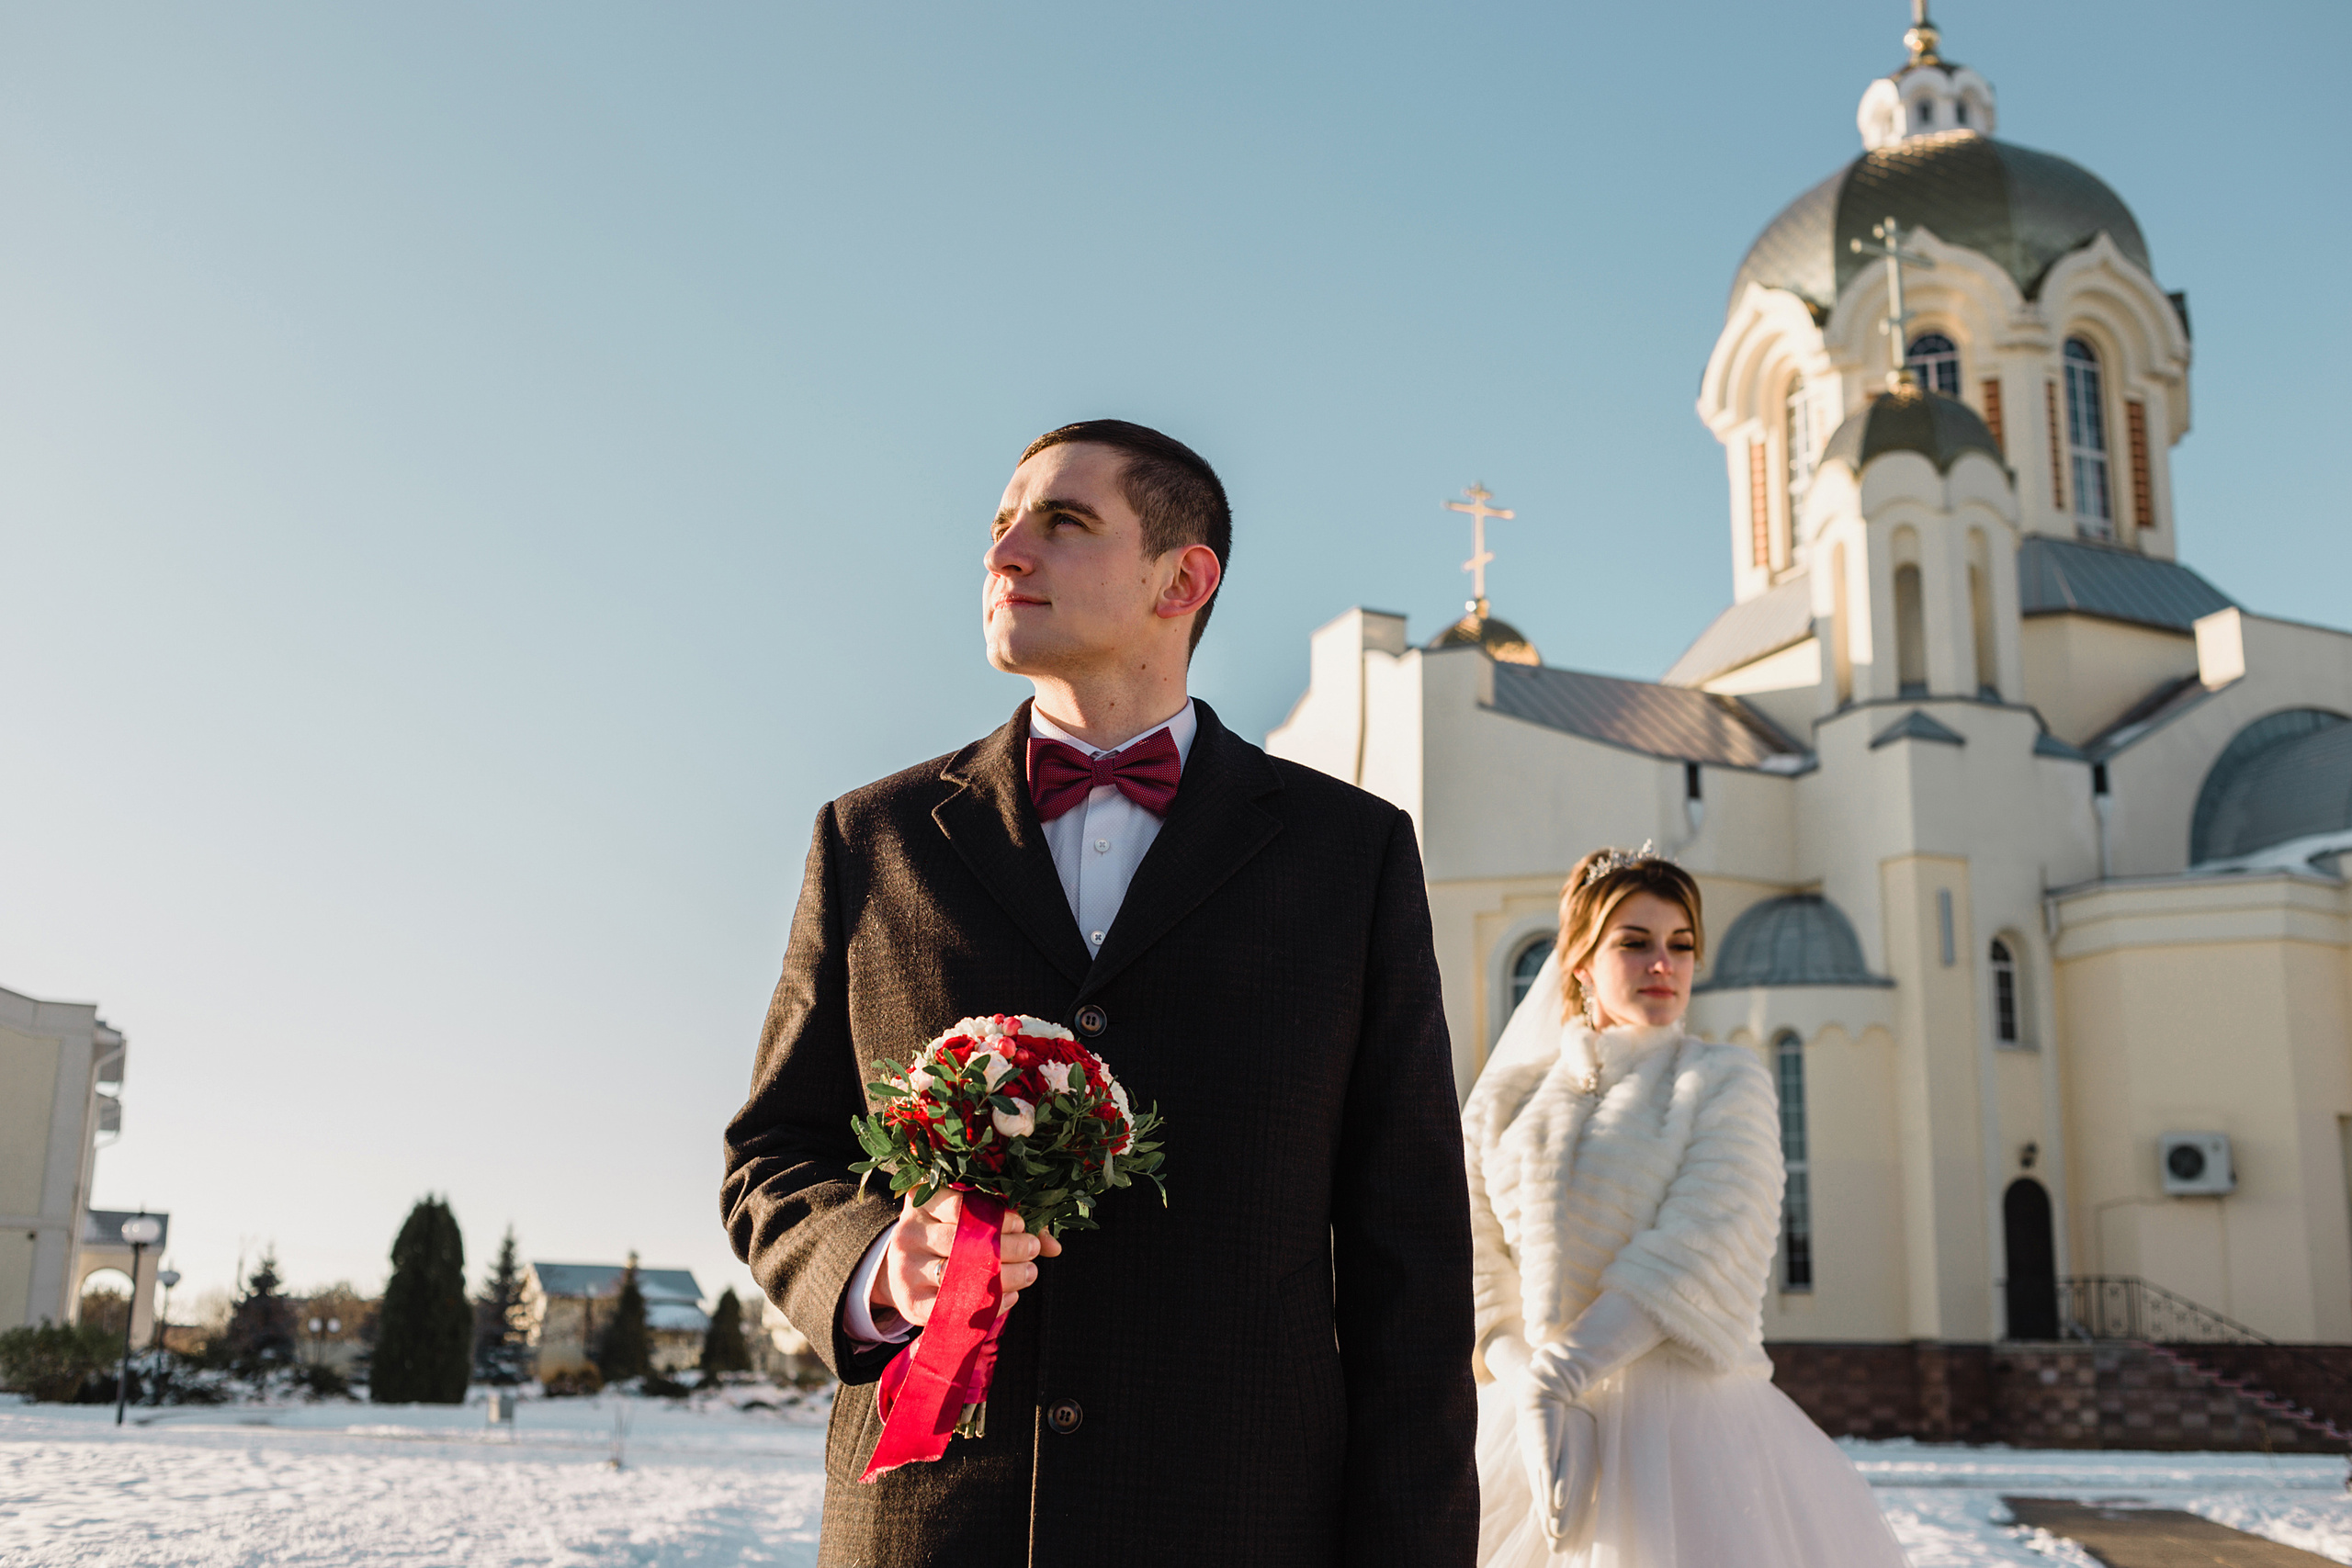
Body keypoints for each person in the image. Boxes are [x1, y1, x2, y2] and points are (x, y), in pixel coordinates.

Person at [723, 419, 1477, 1566]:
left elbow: (1407, 1255)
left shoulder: (1349, 856)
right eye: (1000, 527)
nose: (1006, 553)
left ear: (1185, 578)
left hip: (1238, 1522)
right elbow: (775, 1150)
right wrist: (882, 1263)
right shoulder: (869, 841)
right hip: (932, 1523)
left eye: (1062, 523)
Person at [1463, 847, 1909, 1567]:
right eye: (1634, 943)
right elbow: (1470, 1256)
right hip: (1520, 1426)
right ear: (1579, 962)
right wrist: (1528, 1384)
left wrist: (1563, 1374)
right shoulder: (1505, 1099)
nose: (1662, 964)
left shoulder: (1722, 1081)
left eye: (1681, 945)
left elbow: (1708, 1240)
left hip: (1685, 1435)